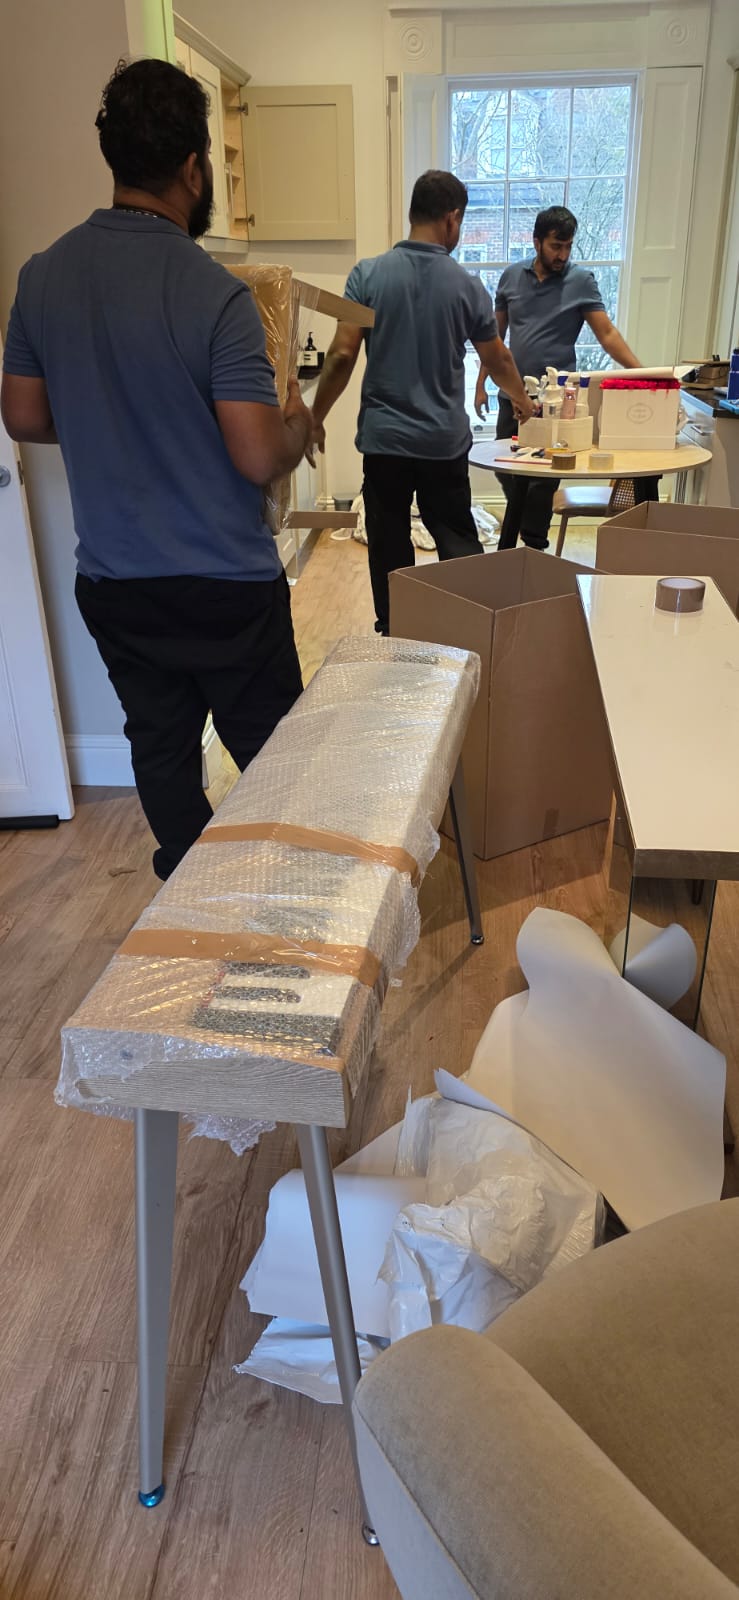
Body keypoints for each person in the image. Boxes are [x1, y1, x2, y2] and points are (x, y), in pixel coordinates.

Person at [1, 59, 313, 881]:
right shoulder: (215, 294)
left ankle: (193, 887)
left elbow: (23, 417)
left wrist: (108, 422)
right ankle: (291, 896)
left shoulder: (42, 277)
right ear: (192, 168)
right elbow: (256, 453)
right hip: (223, 585)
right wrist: (296, 426)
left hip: (116, 581)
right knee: (276, 753)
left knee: (161, 744)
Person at [309, 170, 533, 635]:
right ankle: (468, 631)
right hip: (441, 443)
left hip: (385, 442)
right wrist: (523, 401)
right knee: (457, 540)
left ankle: (396, 632)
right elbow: (499, 358)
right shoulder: (467, 286)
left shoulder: (366, 275)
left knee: (389, 543)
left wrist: (316, 417)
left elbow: (342, 355)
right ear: (452, 218)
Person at [474, 205, 642, 550]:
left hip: (557, 403)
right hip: (513, 395)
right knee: (504, 467)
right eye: (555, 246)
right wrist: (480, 385)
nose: (562, 255)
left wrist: (641, 374)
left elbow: (607, 334)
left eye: (568, 247)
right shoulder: (511, 277)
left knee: (544, 478)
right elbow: (494, 337)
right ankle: (526, 529)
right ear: (536, 242)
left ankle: (533, 545)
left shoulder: (581, 281)